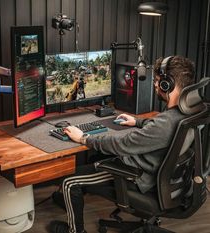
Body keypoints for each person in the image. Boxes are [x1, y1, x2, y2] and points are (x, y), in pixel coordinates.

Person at [50, 55, 195, 233]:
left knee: (68, 180)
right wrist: (137, 122)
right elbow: (160, 129)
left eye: (158, 81)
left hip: (136, 177)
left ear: (168, 84)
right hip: (166, 180)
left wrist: (83, 138)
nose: (155, 85)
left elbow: (122, 144)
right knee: (95, 159)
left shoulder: (164, 124)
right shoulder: (191, 110)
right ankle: (73, 198)